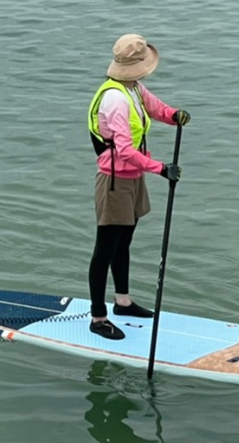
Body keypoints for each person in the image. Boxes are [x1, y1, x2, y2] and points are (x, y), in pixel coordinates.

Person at [86, 33, 189, 341]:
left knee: (124, 242)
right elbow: (124, 150)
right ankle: (98, 317)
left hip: (133, 177)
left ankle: (123, 302)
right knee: (105, 249)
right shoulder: (115, 99)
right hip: (114, 182)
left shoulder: (132, 87)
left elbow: (154, 107)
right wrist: (161, 169)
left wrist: (174, 116)